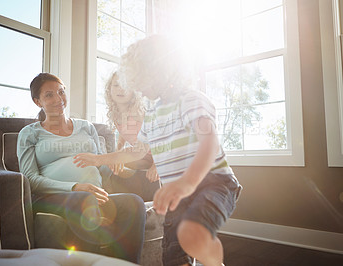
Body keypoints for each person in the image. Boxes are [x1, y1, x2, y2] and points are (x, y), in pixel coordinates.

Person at [73, 35, 242, 266]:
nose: (137, 85)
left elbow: (209, 143)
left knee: (194, 236)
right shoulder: (152, 113)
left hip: (213, 184)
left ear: (162, 70)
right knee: (174, 256)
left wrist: (187, 183)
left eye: (141, 77)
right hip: (177, 196)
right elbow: (136, 151)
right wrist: (98, 158)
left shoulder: (191, 100)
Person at [16, 73, 146, 264]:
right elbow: (30, 179)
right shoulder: (30, 134)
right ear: (38, 102)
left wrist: (115, 166)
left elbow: (101, 166)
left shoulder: (86, 127)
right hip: (53, 197)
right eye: (49, 95)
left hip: (95, 194)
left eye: (61, 92)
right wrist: (75, 187)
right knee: (85, 200)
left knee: (134, 202)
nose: (59, 99)